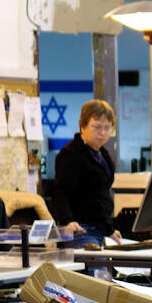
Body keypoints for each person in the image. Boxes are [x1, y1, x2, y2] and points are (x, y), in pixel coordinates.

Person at [51, 100, 119, 238]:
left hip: (100, 229)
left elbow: (99, 196)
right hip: (80, 229)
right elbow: (60, 192)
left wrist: (109, 230)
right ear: (83, 126)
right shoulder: (71, 154)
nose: (102, 133)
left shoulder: (103, 153)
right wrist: (67, 221)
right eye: (96, 127)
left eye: (107, 128)